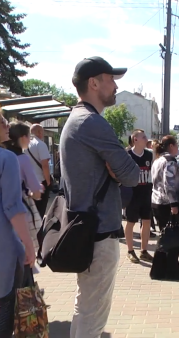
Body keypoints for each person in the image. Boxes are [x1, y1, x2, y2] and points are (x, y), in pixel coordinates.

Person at [61, 56, 140, 338]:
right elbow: (131, 174)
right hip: (98, 233)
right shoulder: (92, 123)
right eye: (111, 79)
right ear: (94, 83)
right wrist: (118, 171)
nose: (116, 85)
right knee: (93, 314)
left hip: (88, 229)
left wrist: (116, 169)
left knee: (87, 308)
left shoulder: (76, 119)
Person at [0, 105, 35, 337]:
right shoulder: (6, 157)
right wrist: (28, 244)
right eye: (1, 122)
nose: (8, 125)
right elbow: (12, 206)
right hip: (1, 239)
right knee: (10, 301)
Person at [4, 121, 44, 253]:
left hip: (0, 208)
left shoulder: (2, 155)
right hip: (20, 208)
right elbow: (36, 190)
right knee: (25, 251)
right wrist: (35, 192)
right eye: (29, 136)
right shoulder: (22, 159)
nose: (30, 140)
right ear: (22, 138)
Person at [150, 135, 179, 280]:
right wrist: (174, 204)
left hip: (157, 202)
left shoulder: (157, 160)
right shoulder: (170, 161)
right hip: (167, 204)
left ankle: (161, 270)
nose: (178, 148)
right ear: (171, 146)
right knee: (172, 239)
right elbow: (169, 184)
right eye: (176, 145)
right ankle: (171, 271)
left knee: (164, 236)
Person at [124, 129, 154, 263]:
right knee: (131, 222)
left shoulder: (149, 155)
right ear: (135, 139)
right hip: (132, 194)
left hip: (146, 193)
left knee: (146, 221)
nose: (146, 139)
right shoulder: (127, 155)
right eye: (144, 137)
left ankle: (144, 250)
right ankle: (130, 251)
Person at [25, 123, 51, 218]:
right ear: (39, 132)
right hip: (41, 181)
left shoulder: (26, 144)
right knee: (41, 208)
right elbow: (45, 165)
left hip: (29, 181)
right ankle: (39, 231)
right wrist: (48, 181)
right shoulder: (40, 144)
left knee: (32, 209)